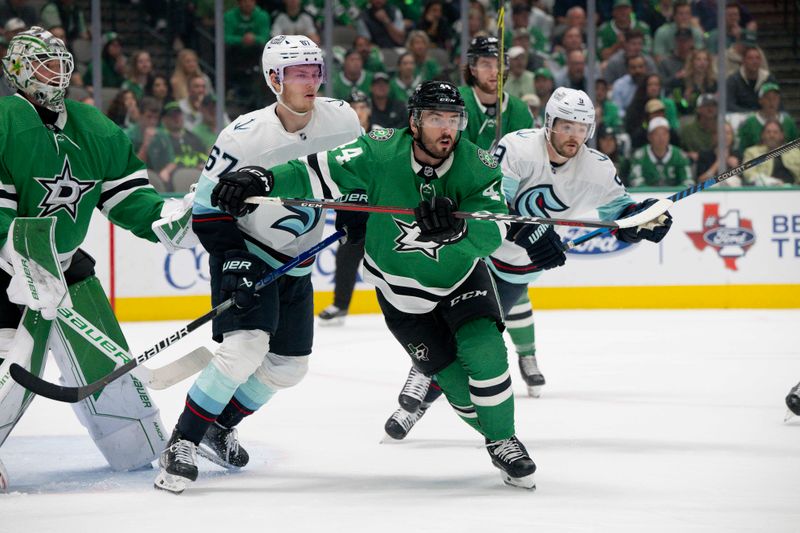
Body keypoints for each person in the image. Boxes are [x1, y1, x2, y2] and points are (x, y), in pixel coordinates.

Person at [210, 80, 538, 489]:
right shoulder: (379, 149)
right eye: (436, 118)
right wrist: (262, 178)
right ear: (415, 121)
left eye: (454, 119)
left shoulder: (480, 165)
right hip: (402, 297)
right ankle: (490, 431)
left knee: (486, 353)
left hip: (460, 280)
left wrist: (456, 231)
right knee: (456, 386)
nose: (447, 129)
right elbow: (313, 171)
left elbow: (492, 235)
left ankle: (504, 440)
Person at [382, 87, 673, 446]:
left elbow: (620, 215)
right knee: (446, 329)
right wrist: (529, 230)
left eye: (582, 128)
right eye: (567, 126)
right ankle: (418, 381)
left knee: (469, 342)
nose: (574, 136)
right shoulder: (518, 147)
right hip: (477, 253)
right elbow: (492, 204)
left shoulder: (597, 168)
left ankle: (417, 402)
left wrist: (643, 221)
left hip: (515, 271)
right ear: (549, 123)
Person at [154, 35, 362, 494]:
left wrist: (356, 217)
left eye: (315, 71)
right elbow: (207, 209)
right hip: (249, 251)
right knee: (245, 348)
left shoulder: (343, 120)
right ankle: (181, 442)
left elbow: (360, 177)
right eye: (299, 74)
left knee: (289, 366)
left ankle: (218, 426)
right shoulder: (244, 136)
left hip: (298, 263)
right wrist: (232, 260)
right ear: (274, 80)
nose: (312, 81)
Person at [0, 26, 182, 489]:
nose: (57, 71)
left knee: (109, 371)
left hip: (65, 262)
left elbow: (126, 196)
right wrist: (19, 254)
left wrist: (166, 218)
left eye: (60, 61)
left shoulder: (92, 125)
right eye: (43, 62)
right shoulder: (3, 120)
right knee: (8, 372)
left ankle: (139, 448)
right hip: (3, 269)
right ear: (18, 70)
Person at [459, 36, 533, 151]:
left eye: (499, 65)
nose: (494, 72)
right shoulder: (458, 101)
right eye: (486, 65)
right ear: (473, 69)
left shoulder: (520, 111)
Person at [146, 101, 207, 192]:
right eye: (172, 115)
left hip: (197, 182)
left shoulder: (194, 137)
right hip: (170, 186)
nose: (176, 118)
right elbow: (157, 167)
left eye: (178, 114)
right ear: (164, 119)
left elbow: (204, 157)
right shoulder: (159, 138)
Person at [628, 117, 694, 187]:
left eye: (664, 134)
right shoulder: (640, 156)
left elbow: (688, 182)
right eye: (657, 134)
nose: (661, 138)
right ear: (649, 137)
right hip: (647, 196)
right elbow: (635, 181)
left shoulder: (679, 155)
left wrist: (673, 193)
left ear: (669, 136)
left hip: (674, 196)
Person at [737, 83, 798, 152]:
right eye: (768, 98)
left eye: (775, 98)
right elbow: (742, 148)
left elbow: (796, 146)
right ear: (760, 100)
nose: (771, 101)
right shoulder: (749, 123)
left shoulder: (788, 122)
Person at [742, 120, 800, 186]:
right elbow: (749, 174)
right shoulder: (751, 152)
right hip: (766, 190)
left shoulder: (796, 152)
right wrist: (770, 182)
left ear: (782, 135)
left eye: (775, 132)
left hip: (794, 190)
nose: (771, 135)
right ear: (762, 135)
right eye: (768, 132)